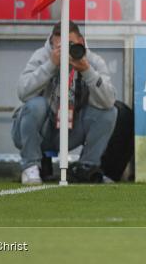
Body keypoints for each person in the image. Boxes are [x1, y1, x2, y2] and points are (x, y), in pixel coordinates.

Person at [12, 21, 118, 185]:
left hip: (70, 130)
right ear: (52, 44)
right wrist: (51, 65)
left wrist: (87, 71)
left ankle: (86, 168)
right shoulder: (42, 56)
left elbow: (109, 100)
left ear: (81, 42)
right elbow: (22, 92)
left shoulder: (93, 61)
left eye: (71, 45)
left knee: (109, 112)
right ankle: (30, 166)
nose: (66, 51)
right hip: (41, 130)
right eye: (60, 47)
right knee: (36, 105)